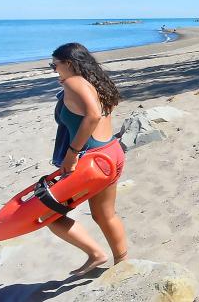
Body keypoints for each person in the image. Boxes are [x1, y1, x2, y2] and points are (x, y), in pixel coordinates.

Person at [47, 42, 127, 274]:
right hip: (111, 151)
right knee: (105, 215)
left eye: (55, 65)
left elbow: (92, 115)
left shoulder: (74, 83)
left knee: (49, 214)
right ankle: (123, 263)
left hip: (91, 160)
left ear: (69, 64)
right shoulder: (96, 82)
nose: (54, 70)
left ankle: (95, 253)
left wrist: (71, 154)